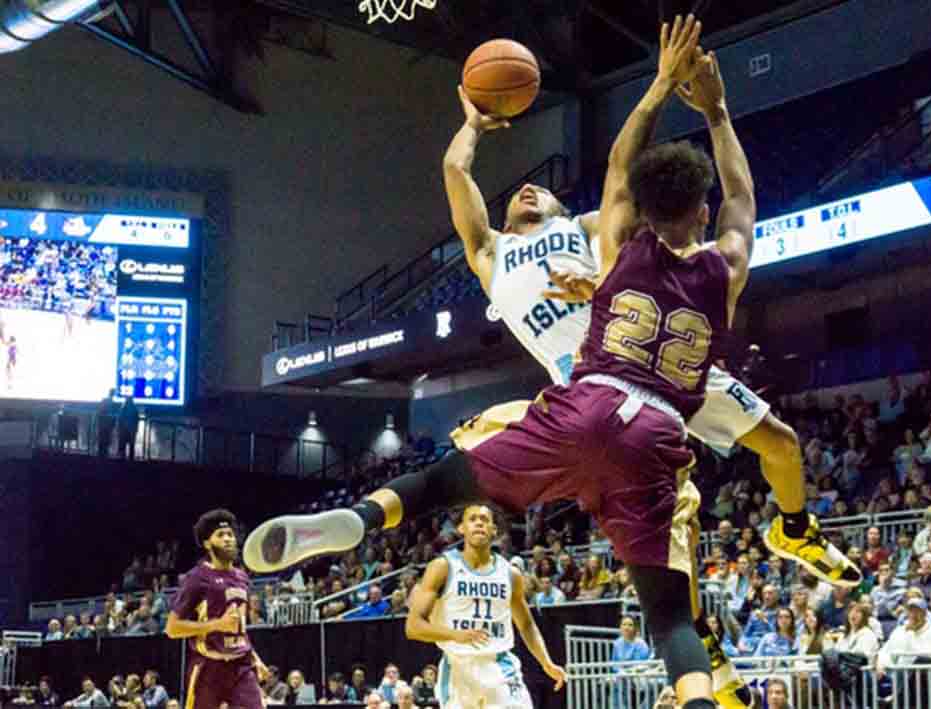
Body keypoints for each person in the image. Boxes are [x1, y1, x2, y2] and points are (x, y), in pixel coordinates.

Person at [243, 17, 856, 709]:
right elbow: (461, 173)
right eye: (517, 196)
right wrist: (473, 126)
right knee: (670, 548)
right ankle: (703, 664)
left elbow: (627, 189)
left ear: (573, 205)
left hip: (614, 385)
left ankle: (790, 535)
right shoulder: (492, 255)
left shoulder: (590, 230)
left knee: (778, 444)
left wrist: (599, 283)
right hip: (624, 392)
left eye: (539, 191)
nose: (528, 193)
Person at [403, 504, 565, 708]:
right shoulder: (443, 567)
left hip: (499, 665)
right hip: (457, 666)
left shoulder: (510, 574)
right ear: (461, 528)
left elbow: (526, 625)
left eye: (484, 519)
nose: (479, 523)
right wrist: (455, 635)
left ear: (494, 530)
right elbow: (413, 626)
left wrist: (546, 662)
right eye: (472, 519)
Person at [164, 509, 270, 709]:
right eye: (220, 535)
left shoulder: (242, 577)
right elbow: (172, 628)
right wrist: (217, 624)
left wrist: (255, 658)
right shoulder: (196, 578)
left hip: (241, 666)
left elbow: (239, 627)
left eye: (230, 534)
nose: (228, 539)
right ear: (207, 544)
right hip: (208, 668)